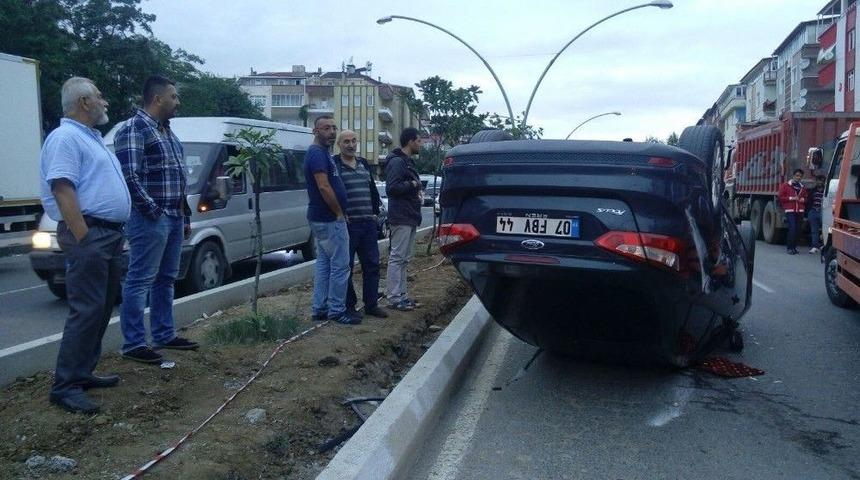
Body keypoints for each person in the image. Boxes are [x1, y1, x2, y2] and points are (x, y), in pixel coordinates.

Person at [40, 77, 131, 413]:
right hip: (90, 234)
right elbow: (62, 188)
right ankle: (65, 387)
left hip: (107, 234)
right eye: (99, 96)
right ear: (83, 102)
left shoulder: (88, 137)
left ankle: (82, 373)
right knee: (87, 309)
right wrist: (84, 236)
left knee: (102, 306)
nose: (104, 101)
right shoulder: (65, 137)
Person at [115, 75, 198, 364]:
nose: (178, 102)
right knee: (140, 279)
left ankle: (164, 334)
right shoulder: (134, 129)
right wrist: (153, 212)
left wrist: (184, 215)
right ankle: (134, 344)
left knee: (166, 278)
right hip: (149, 218)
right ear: (157, 99)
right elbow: (129, 175)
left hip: (174, 216)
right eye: (174, 97)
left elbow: (178, 178)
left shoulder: (168, 132)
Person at [305, 115, 360, 325]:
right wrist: (338, 213)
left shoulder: (322, 153)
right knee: (340, 266)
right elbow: (323, 186)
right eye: (326, 128)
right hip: (329, 218)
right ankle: (337, 310)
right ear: (316, 131)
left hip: (321, 217)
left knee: (324, 264)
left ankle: (320, 308)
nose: (332, 132)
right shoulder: (317, 154)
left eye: (334, 128)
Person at [333, 130, 389, 319]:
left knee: (372, 265)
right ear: (339, 145)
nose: (351, 144)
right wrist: (340, 214)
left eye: (354, 140)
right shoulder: (335, 165)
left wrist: (375, 212)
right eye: (346, 141)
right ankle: (349, 306)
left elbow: (372, 189)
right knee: (346, 267)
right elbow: (331, 193)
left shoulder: (364, 163)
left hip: (367, 224)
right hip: (347, 225)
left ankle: (371, 305)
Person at [384, 127, 424, 311]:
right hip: (401, 216)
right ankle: (393, 297)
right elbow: (392, 188)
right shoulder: (398, 162)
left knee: (404, 258)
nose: (421, 144)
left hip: (409, 215)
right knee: (397, 257)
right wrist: (414, 184)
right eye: (419, 141)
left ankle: (402, 295)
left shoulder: (407, 162)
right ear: (410, 141)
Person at [778, 168, 809, 255]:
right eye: (797, 176)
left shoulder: (802, 187)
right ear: (793, 176)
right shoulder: (786, 185)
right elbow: (780, 197)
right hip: (790, 210)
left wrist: (803, 199)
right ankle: (789, 248)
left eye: (800, 176)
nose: (798, 177)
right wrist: (791, 198)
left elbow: (806, 199)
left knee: (798, 230)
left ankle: (794, 248)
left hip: (800, 211)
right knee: (792, 228)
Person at [807, 175, 825, 254]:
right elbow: (808, 202)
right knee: (814, 230)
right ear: (816, 181)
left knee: (825, 230)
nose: (820, 182)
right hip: (813, 211)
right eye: (818, 180)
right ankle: (815, 246)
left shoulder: (826, 191)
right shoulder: (812, 191)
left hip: (823, 212)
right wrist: (809, 212)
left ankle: (824, 245)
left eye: (821, 180)